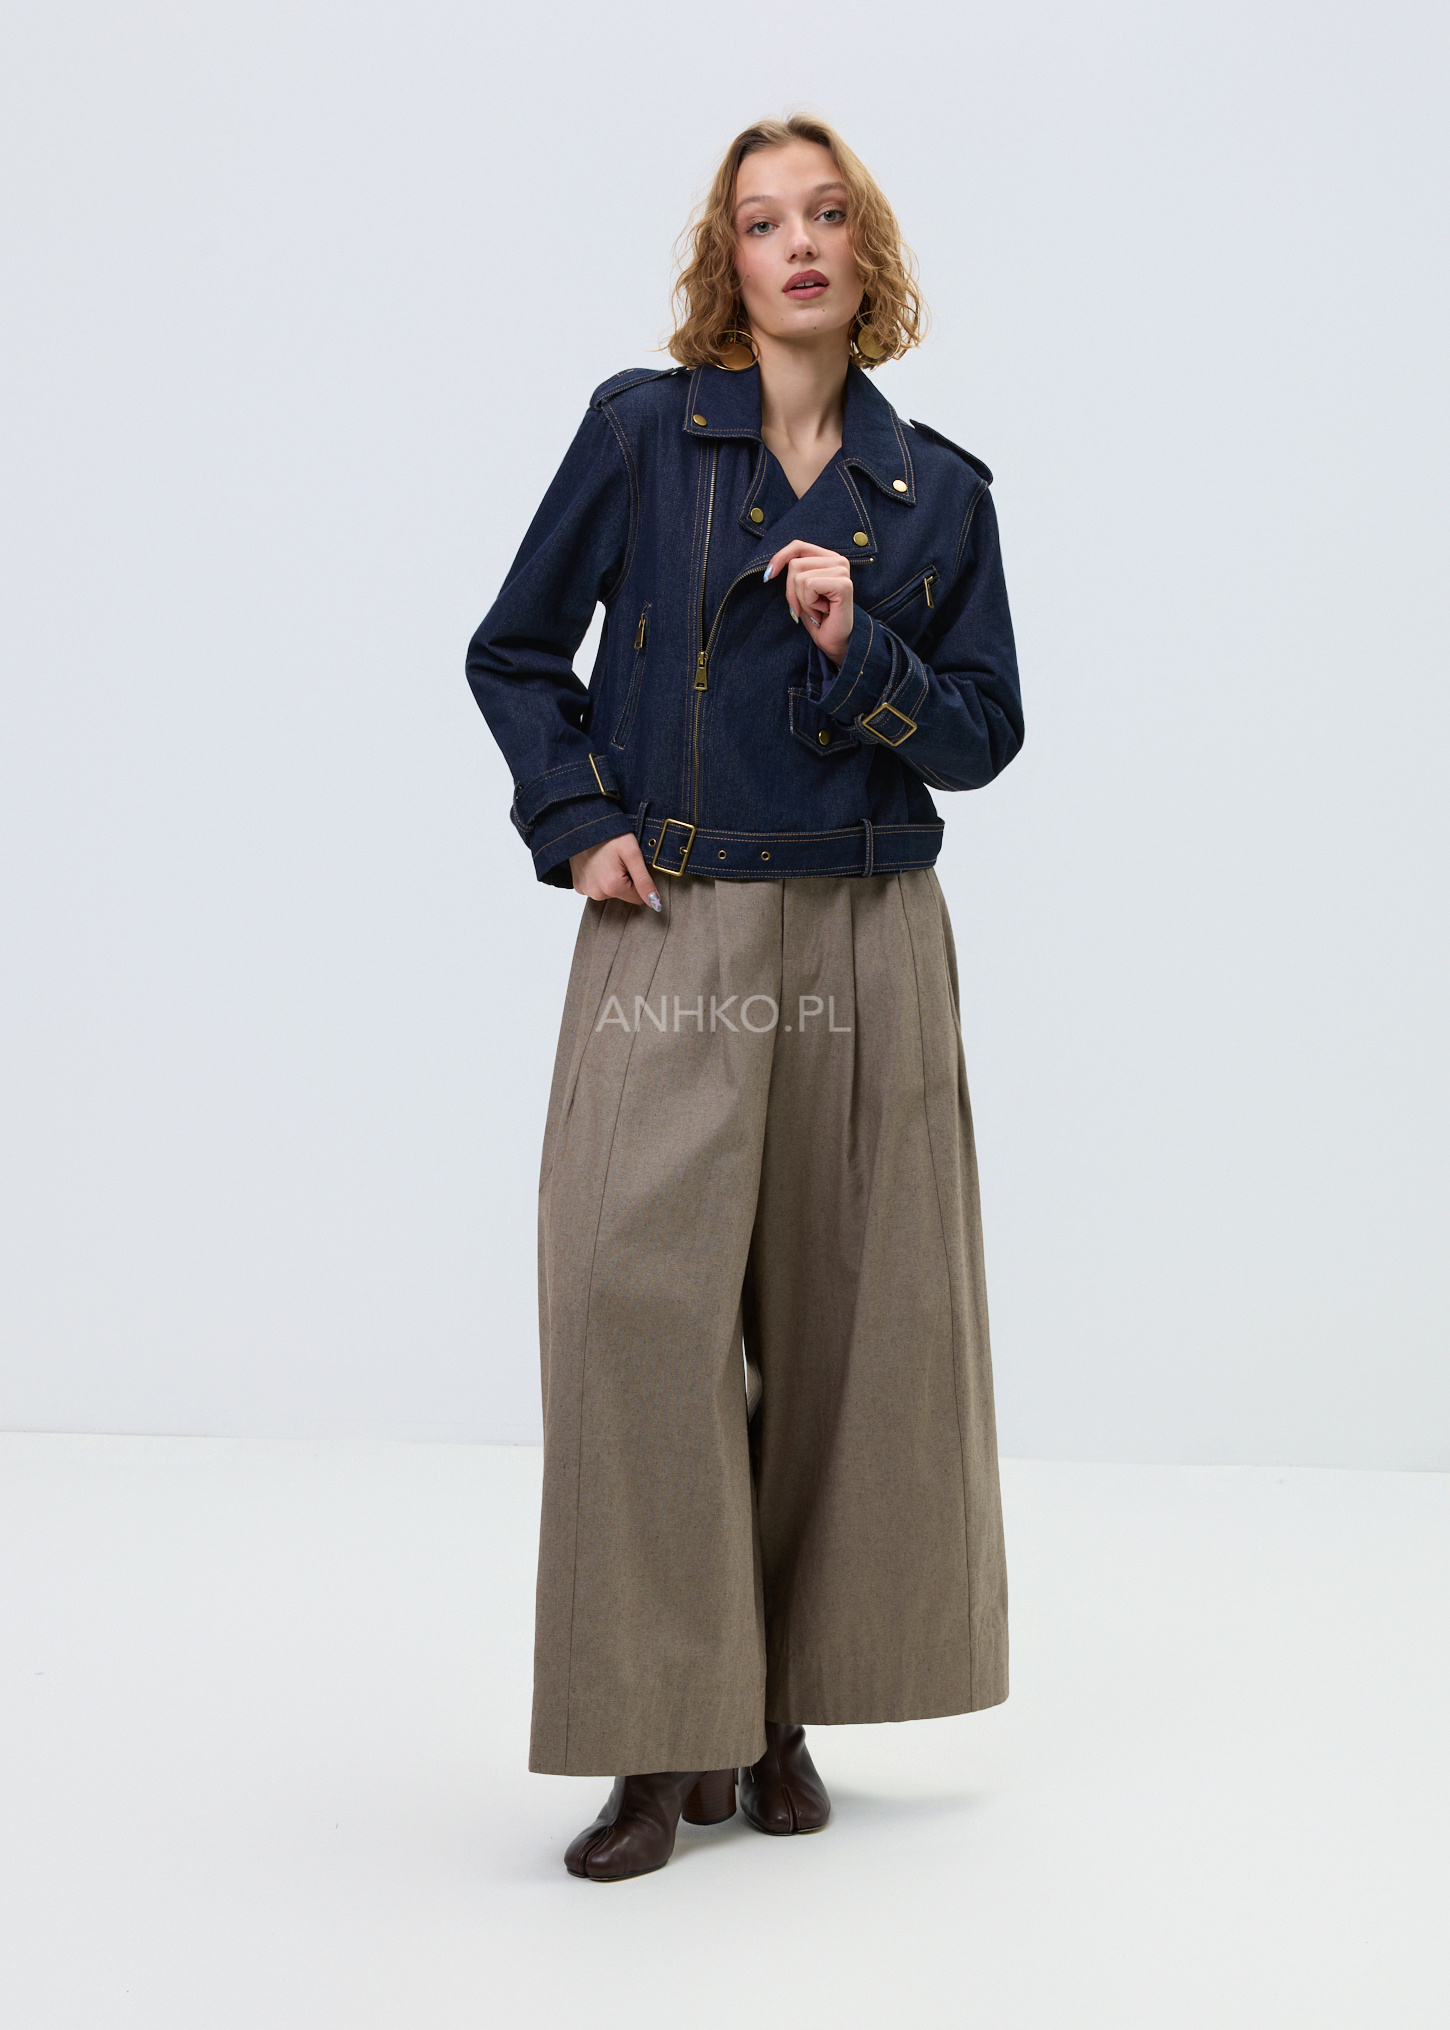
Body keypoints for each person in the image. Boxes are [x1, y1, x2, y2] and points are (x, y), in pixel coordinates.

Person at [465, 114, 1023, 1882]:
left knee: (852, 1324)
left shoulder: (936, 492)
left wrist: (864, 650)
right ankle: (659, 1730)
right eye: (762, 220)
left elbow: (982, 737)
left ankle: (776, 1714)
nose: (797, 243)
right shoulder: (645, 432)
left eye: (826, 214)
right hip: (676, 924)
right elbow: (511, 648)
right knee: (633, 1308)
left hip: (869, 930)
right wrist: (577, 820)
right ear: (730, 260)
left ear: (865, 253)